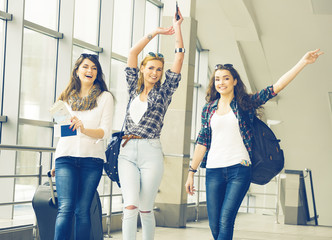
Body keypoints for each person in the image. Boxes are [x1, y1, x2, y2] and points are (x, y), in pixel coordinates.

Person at [185, 49, 323, 240]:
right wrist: (191, 172)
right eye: (217, 79)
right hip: (214, 170)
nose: (221, 82)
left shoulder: (245, 103)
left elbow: (275, 88)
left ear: (234, 81)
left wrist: (303, 62)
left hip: (239, 168)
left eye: (226, 78)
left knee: (226, 220)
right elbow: (202, 141)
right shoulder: (208, 109)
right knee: (214, 224)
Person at [117, 8, 185, 240]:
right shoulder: (131, 87)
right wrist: (154, 32)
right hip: (126, 151)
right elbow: (133, 52)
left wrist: (176, 29)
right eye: (151, 67)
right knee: (130, 206)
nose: (155, 72)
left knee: (145, 208)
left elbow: (179, 58)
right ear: (143, 69)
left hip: (151, 151)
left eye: (158, 69)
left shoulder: (164, 93)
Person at [51, 53, 114, 240]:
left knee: (82, 210)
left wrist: (84, 129)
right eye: (86, 67)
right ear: (77, 71)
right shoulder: (64, 98)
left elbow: (105, 132)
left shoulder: (105, 98)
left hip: (92, 160)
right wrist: (56, 160)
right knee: (65, 208)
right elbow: (63, 135)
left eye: (94, 68)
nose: (90, 71)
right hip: (65, 158)